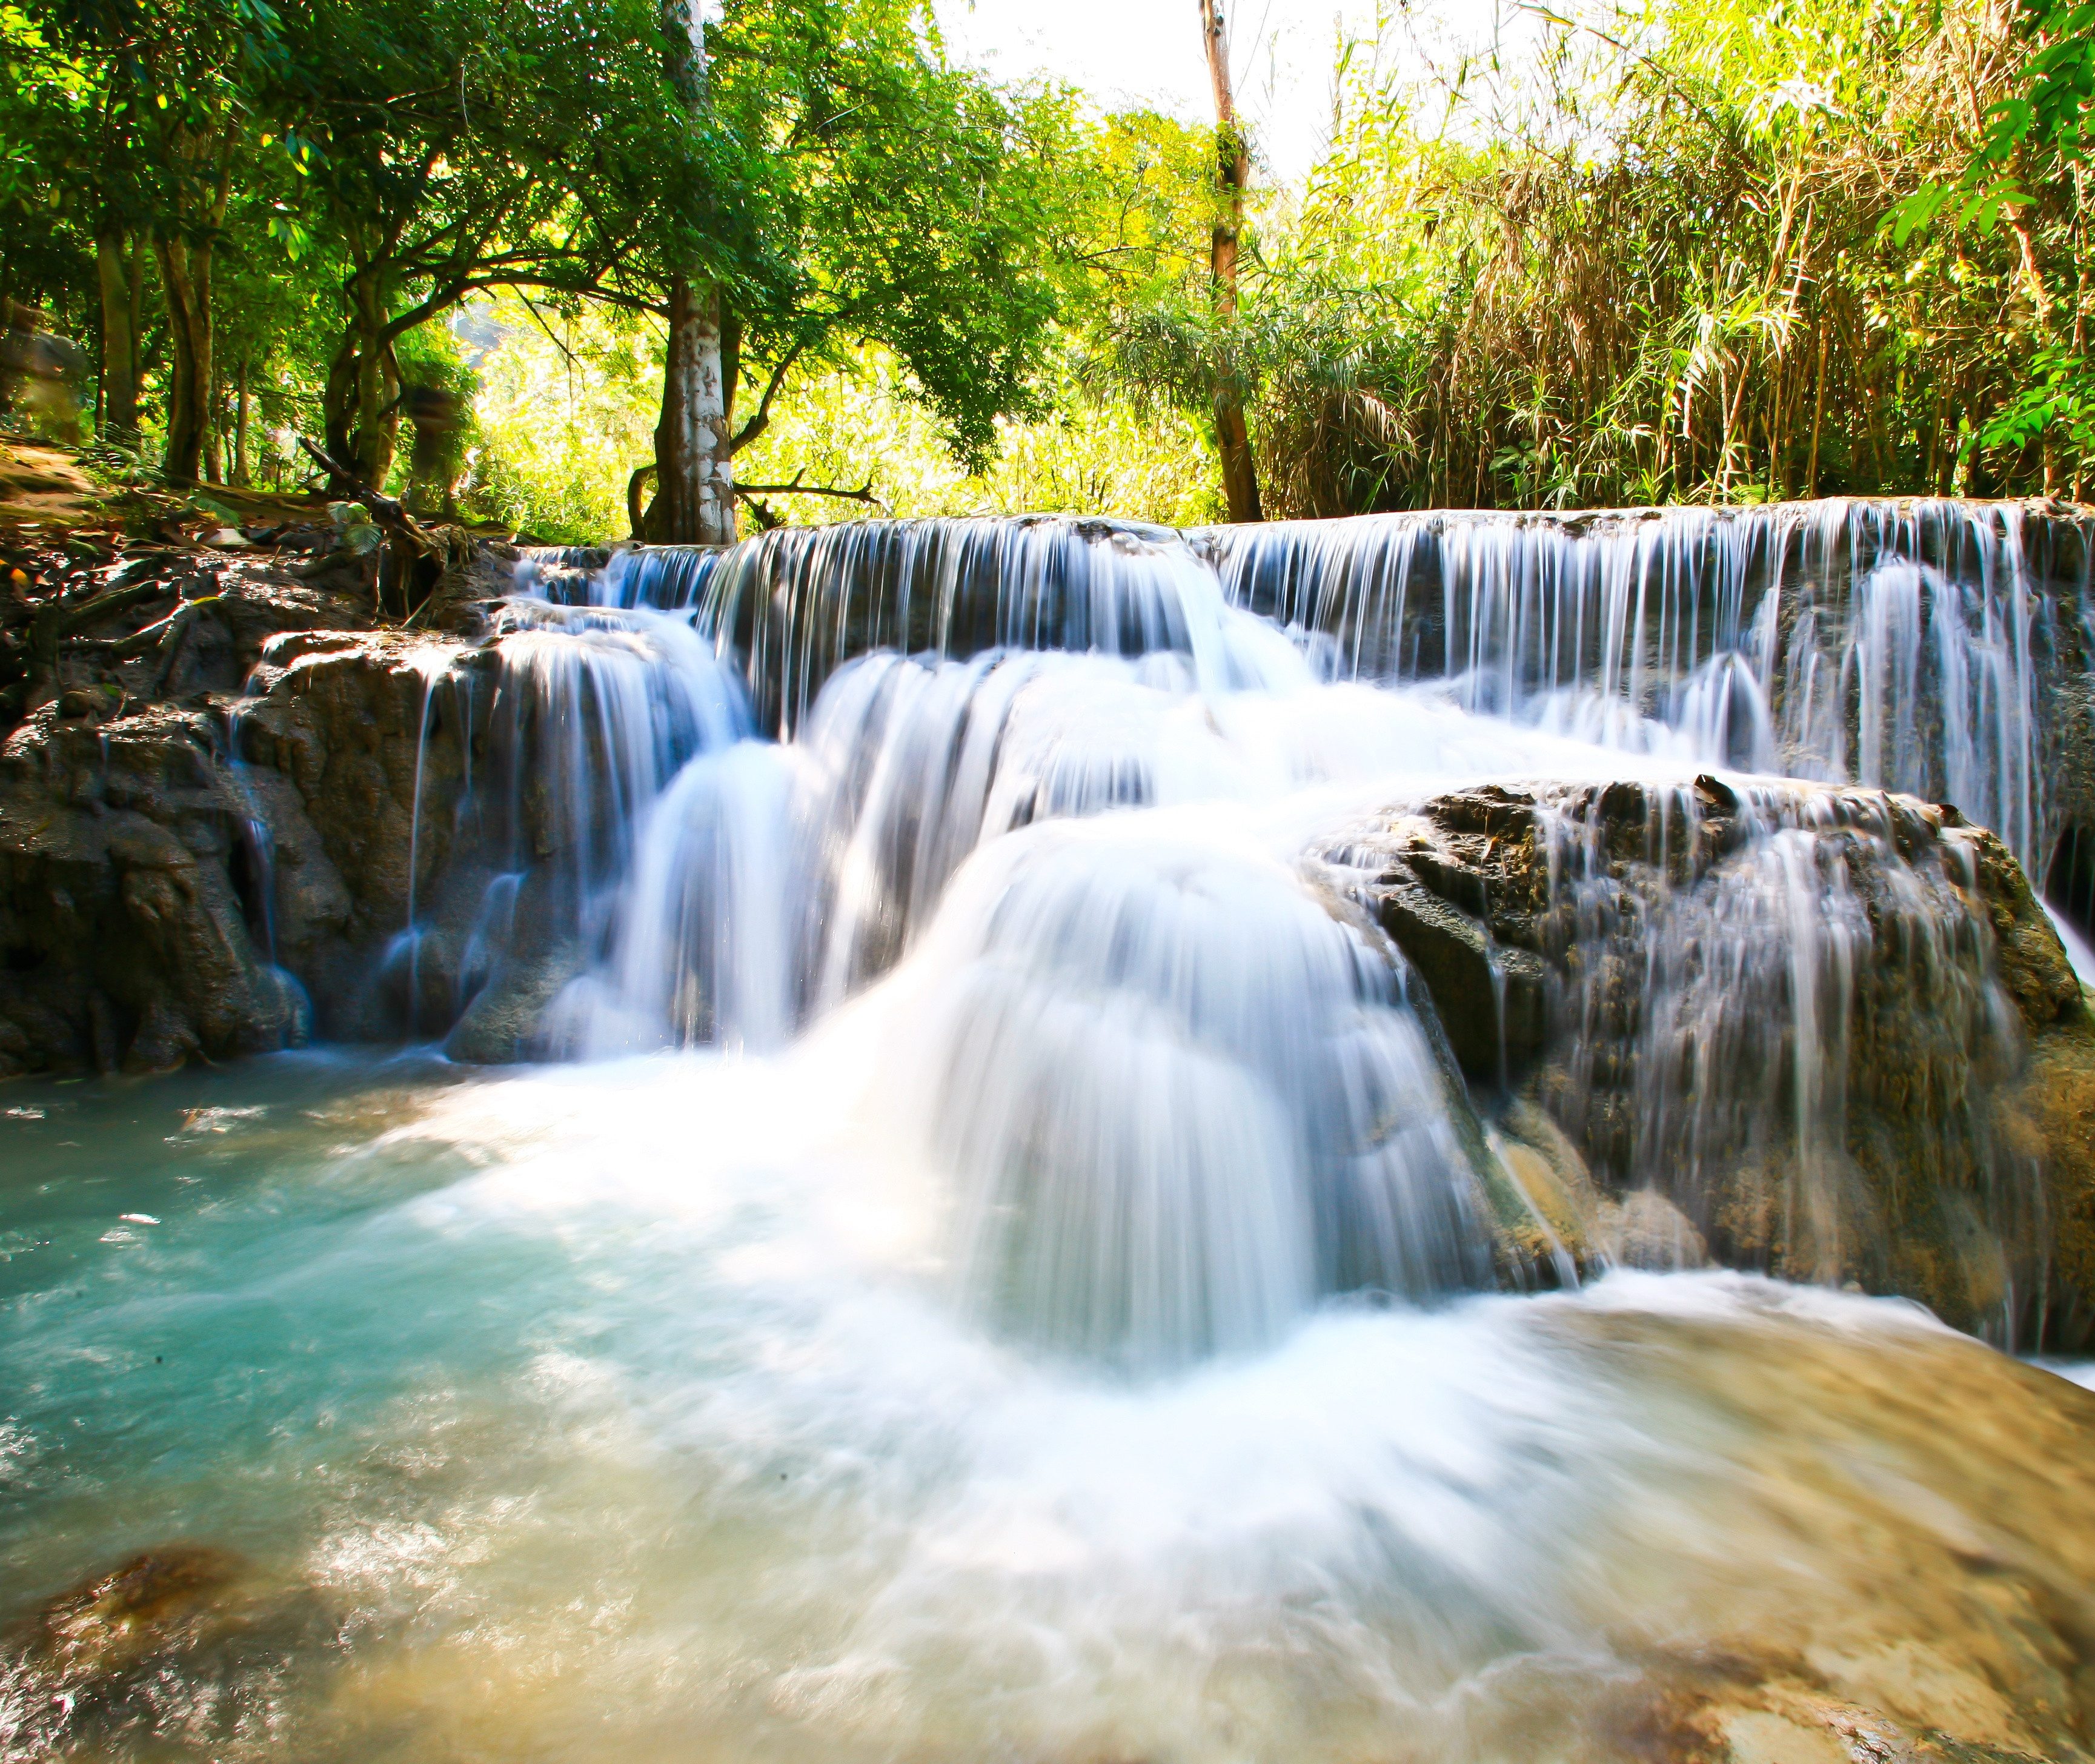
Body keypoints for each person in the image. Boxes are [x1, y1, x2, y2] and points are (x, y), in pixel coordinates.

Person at [0, 302, 85, 442]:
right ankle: (35, 437)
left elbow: (72, 362)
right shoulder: (38, 341)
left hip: (54, 384)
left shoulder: (56, 342)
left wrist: (64, 374)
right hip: (42, 383)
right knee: (27, 408)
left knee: (68, 418)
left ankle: (75, 446)